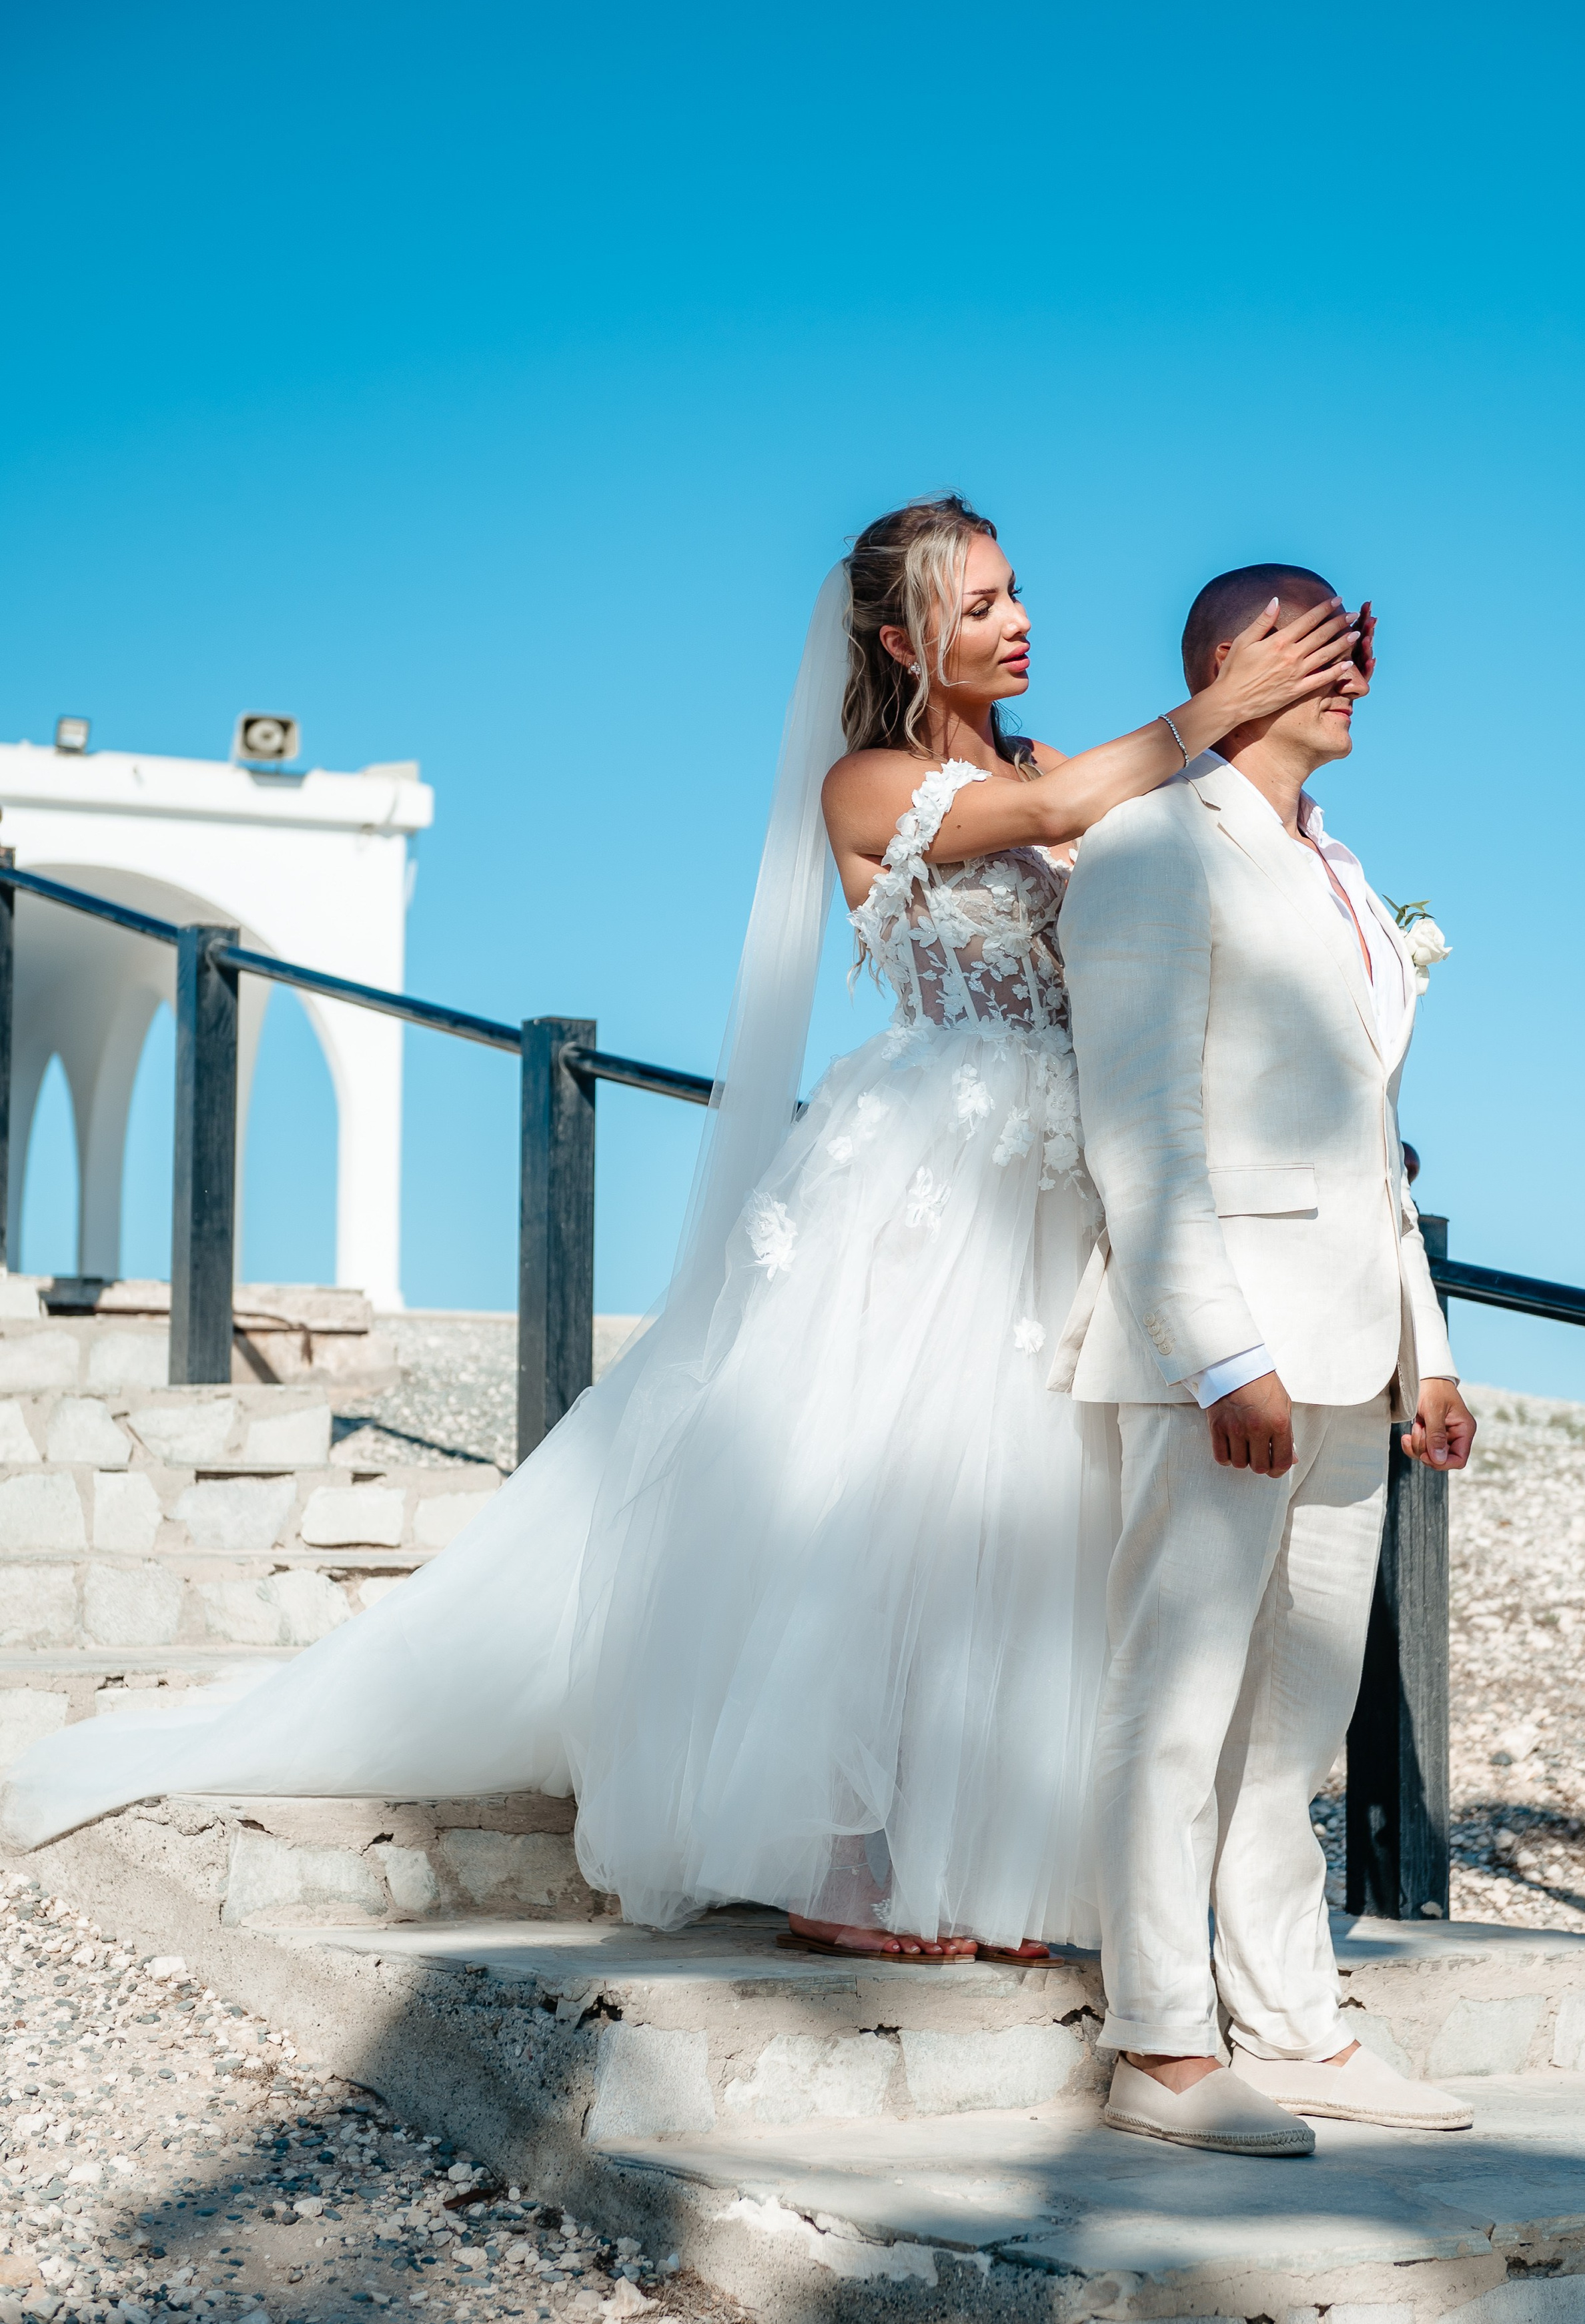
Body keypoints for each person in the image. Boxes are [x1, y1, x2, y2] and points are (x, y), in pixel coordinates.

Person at [0, 502, 1358, 1971]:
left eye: (1017, 590)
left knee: (1038, 1515)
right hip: (935, 1170)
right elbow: (1032, 825)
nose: (1016, 619)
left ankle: (996, 1859)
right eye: (976, 606)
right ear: (902, 639)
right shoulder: (870, 782)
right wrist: (1207, 711)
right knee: (888, 1497)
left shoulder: (1060, 762)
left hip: (1066, 1179)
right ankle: (849, 1856)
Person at [1055, 561, 1478, 2152]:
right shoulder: (1154, 844)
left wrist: (1421, 1350)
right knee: (1171, 1699)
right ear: (1229, 658)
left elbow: (1370, 1145)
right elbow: (1140, 1124)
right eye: (1317, 642)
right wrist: (1218, 1352)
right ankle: (1161, 2043)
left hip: (1352, 1351)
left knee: (1295, 1718)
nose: (1353, 669)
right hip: (1212, 1353)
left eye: (1362, 643)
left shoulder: (1349, 876)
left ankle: (1293, 2019)